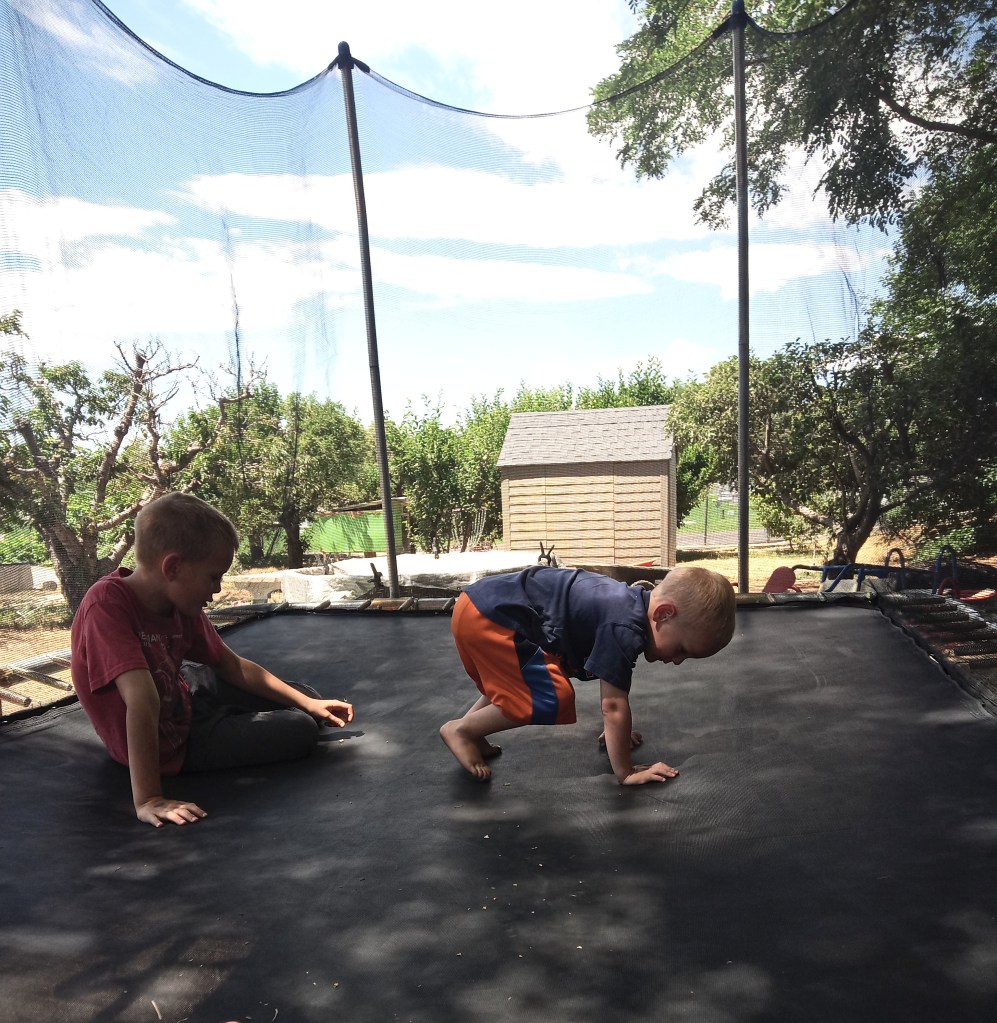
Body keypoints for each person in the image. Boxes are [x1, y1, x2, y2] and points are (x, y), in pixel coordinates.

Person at [70, 492, 355, 828]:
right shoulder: (106, 606)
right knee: (300, 729)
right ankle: (224, 722)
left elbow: (231, 665)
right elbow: (143, 700)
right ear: (172, 567)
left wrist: (307, 702)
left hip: (183, 696)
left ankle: (250, 710)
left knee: (308, 699)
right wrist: (149, 798)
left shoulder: (178, 601)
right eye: (213, 577)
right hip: (170, 745)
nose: (217, 590)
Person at [440, 565, 735, 784]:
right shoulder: (624, 628)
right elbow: (613, 706)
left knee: (523, 681)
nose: (679, 661)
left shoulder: (625, 607)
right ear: (663, 614)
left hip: (479, 607)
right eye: (682, 649)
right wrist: (626, 772)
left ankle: (473, 731)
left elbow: (612, 703)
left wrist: (617, 735)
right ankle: (462, 730)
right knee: (550, 696)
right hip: (492, 618)